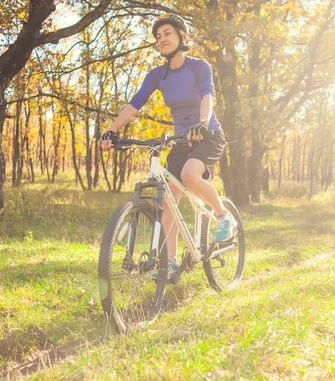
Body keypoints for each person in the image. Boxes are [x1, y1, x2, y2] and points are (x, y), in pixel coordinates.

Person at [99, 13, 237, 280]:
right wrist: (111, 130)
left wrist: (202, 122)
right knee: (169, 203)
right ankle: (171, 262)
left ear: (181, 37)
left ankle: (223, 216)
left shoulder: (199, 67)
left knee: (189, 175)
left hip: (207, 134)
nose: (161, 39)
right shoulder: (157, 75)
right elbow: (136, 103)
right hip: (181, 140)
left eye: (167, 34)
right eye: (158, 36)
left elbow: (207, 94)